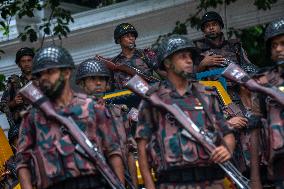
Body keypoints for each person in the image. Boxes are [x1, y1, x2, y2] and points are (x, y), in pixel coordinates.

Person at [16, 46, 125, 189]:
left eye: (50, 72)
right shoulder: (32, 117)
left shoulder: (91, 107)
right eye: (40, 75)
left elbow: (113, 152)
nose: (45, 78)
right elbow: (22, 163)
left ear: (66, 73)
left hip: (93, 182)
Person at [136, 35, 235, 189]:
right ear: (167, 62)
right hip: (173, 183)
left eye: (190, 56)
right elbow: (142, 148)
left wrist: (227, 149)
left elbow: (227, 133)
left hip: (212, 182)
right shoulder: (153, 100)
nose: (189, 60)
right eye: (182, 56)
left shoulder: (206, 94)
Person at [75, 58, 138, 187]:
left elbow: (130, 152)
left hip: (122, 179)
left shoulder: (118, 112)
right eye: (92, 79)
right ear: (82, 84)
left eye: (102, 79)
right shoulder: (76, 116)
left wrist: (134, 186)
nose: (98, 83)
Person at [253, 18, 284, 189]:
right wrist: (255, 178)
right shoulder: (262, 84)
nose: (278, 49)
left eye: (282, 43)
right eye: (273, 45)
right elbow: (255, 130)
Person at [0, 47, 34, 146]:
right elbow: (2, 105)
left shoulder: (43, 80)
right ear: (19, 64)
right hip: (22, 128)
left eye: (29, 60)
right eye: (23, 61)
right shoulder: (14, 82)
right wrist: (13, 103)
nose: (27, 63)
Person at [112, 23, 158, 90]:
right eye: (127, 36)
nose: (131, 38)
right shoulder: (115, 62)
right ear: (119, 40)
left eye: (133, 36)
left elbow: (162, 71)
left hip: (149, 93)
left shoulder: (145, 54)